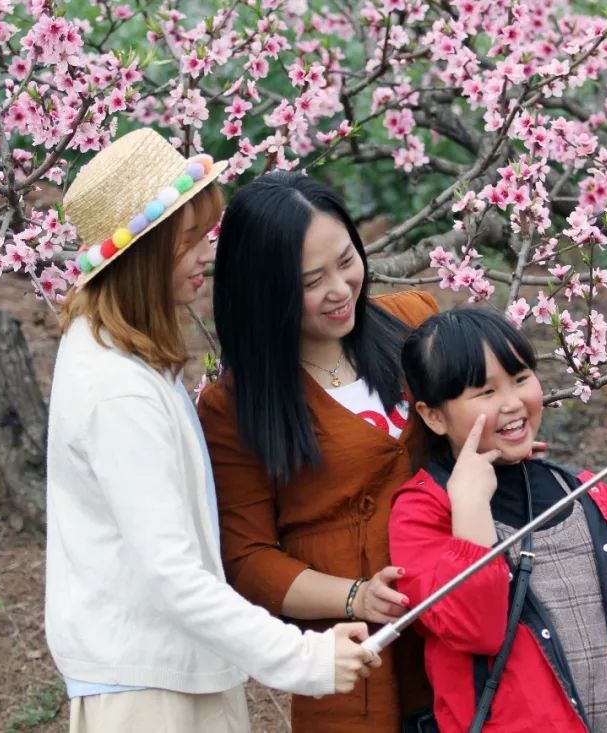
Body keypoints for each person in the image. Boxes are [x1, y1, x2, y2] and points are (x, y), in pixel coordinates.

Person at [45, 129, 379, 732]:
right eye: (190, 240)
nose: (207, 255)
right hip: (152, 691)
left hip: (171, 668)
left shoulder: (118, 351)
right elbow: (171, 574)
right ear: (144, 254)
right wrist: (304, 656)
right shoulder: (119, 391)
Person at [197, 171, 437, 732]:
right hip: (357, 645)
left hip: (457, 611)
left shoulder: (414, 323)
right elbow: (249, 558)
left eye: (346, 260)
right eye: (310, 281)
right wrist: (357, 597)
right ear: (263, 291)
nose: (339, 288)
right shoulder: (234, 406)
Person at [389, 307, 607, 733]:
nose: (512, 403)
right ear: (433, 415)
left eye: (521, 378)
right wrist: (471, 510)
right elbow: (476, 630)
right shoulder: (422, 513)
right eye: (485, 392)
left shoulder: (588, 494)